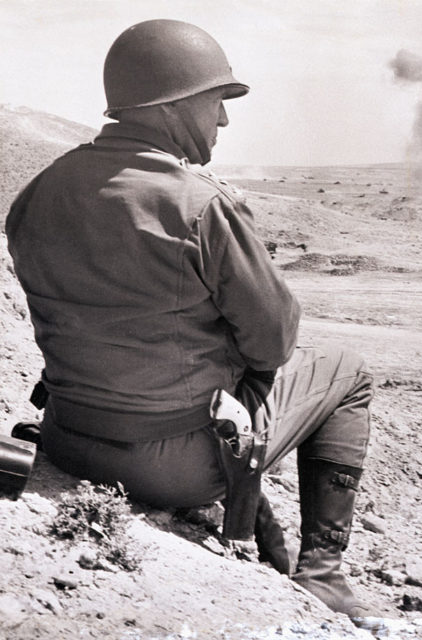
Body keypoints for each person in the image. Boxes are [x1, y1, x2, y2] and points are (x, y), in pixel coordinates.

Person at [5, 19, 374, 622]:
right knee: (348, 371)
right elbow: (275, 339)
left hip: (69, 441)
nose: (223, 121)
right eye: (215, 103)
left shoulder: (38, 192)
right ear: (172, 107)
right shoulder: (200, 203)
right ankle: (325, 576)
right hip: (173, 468)